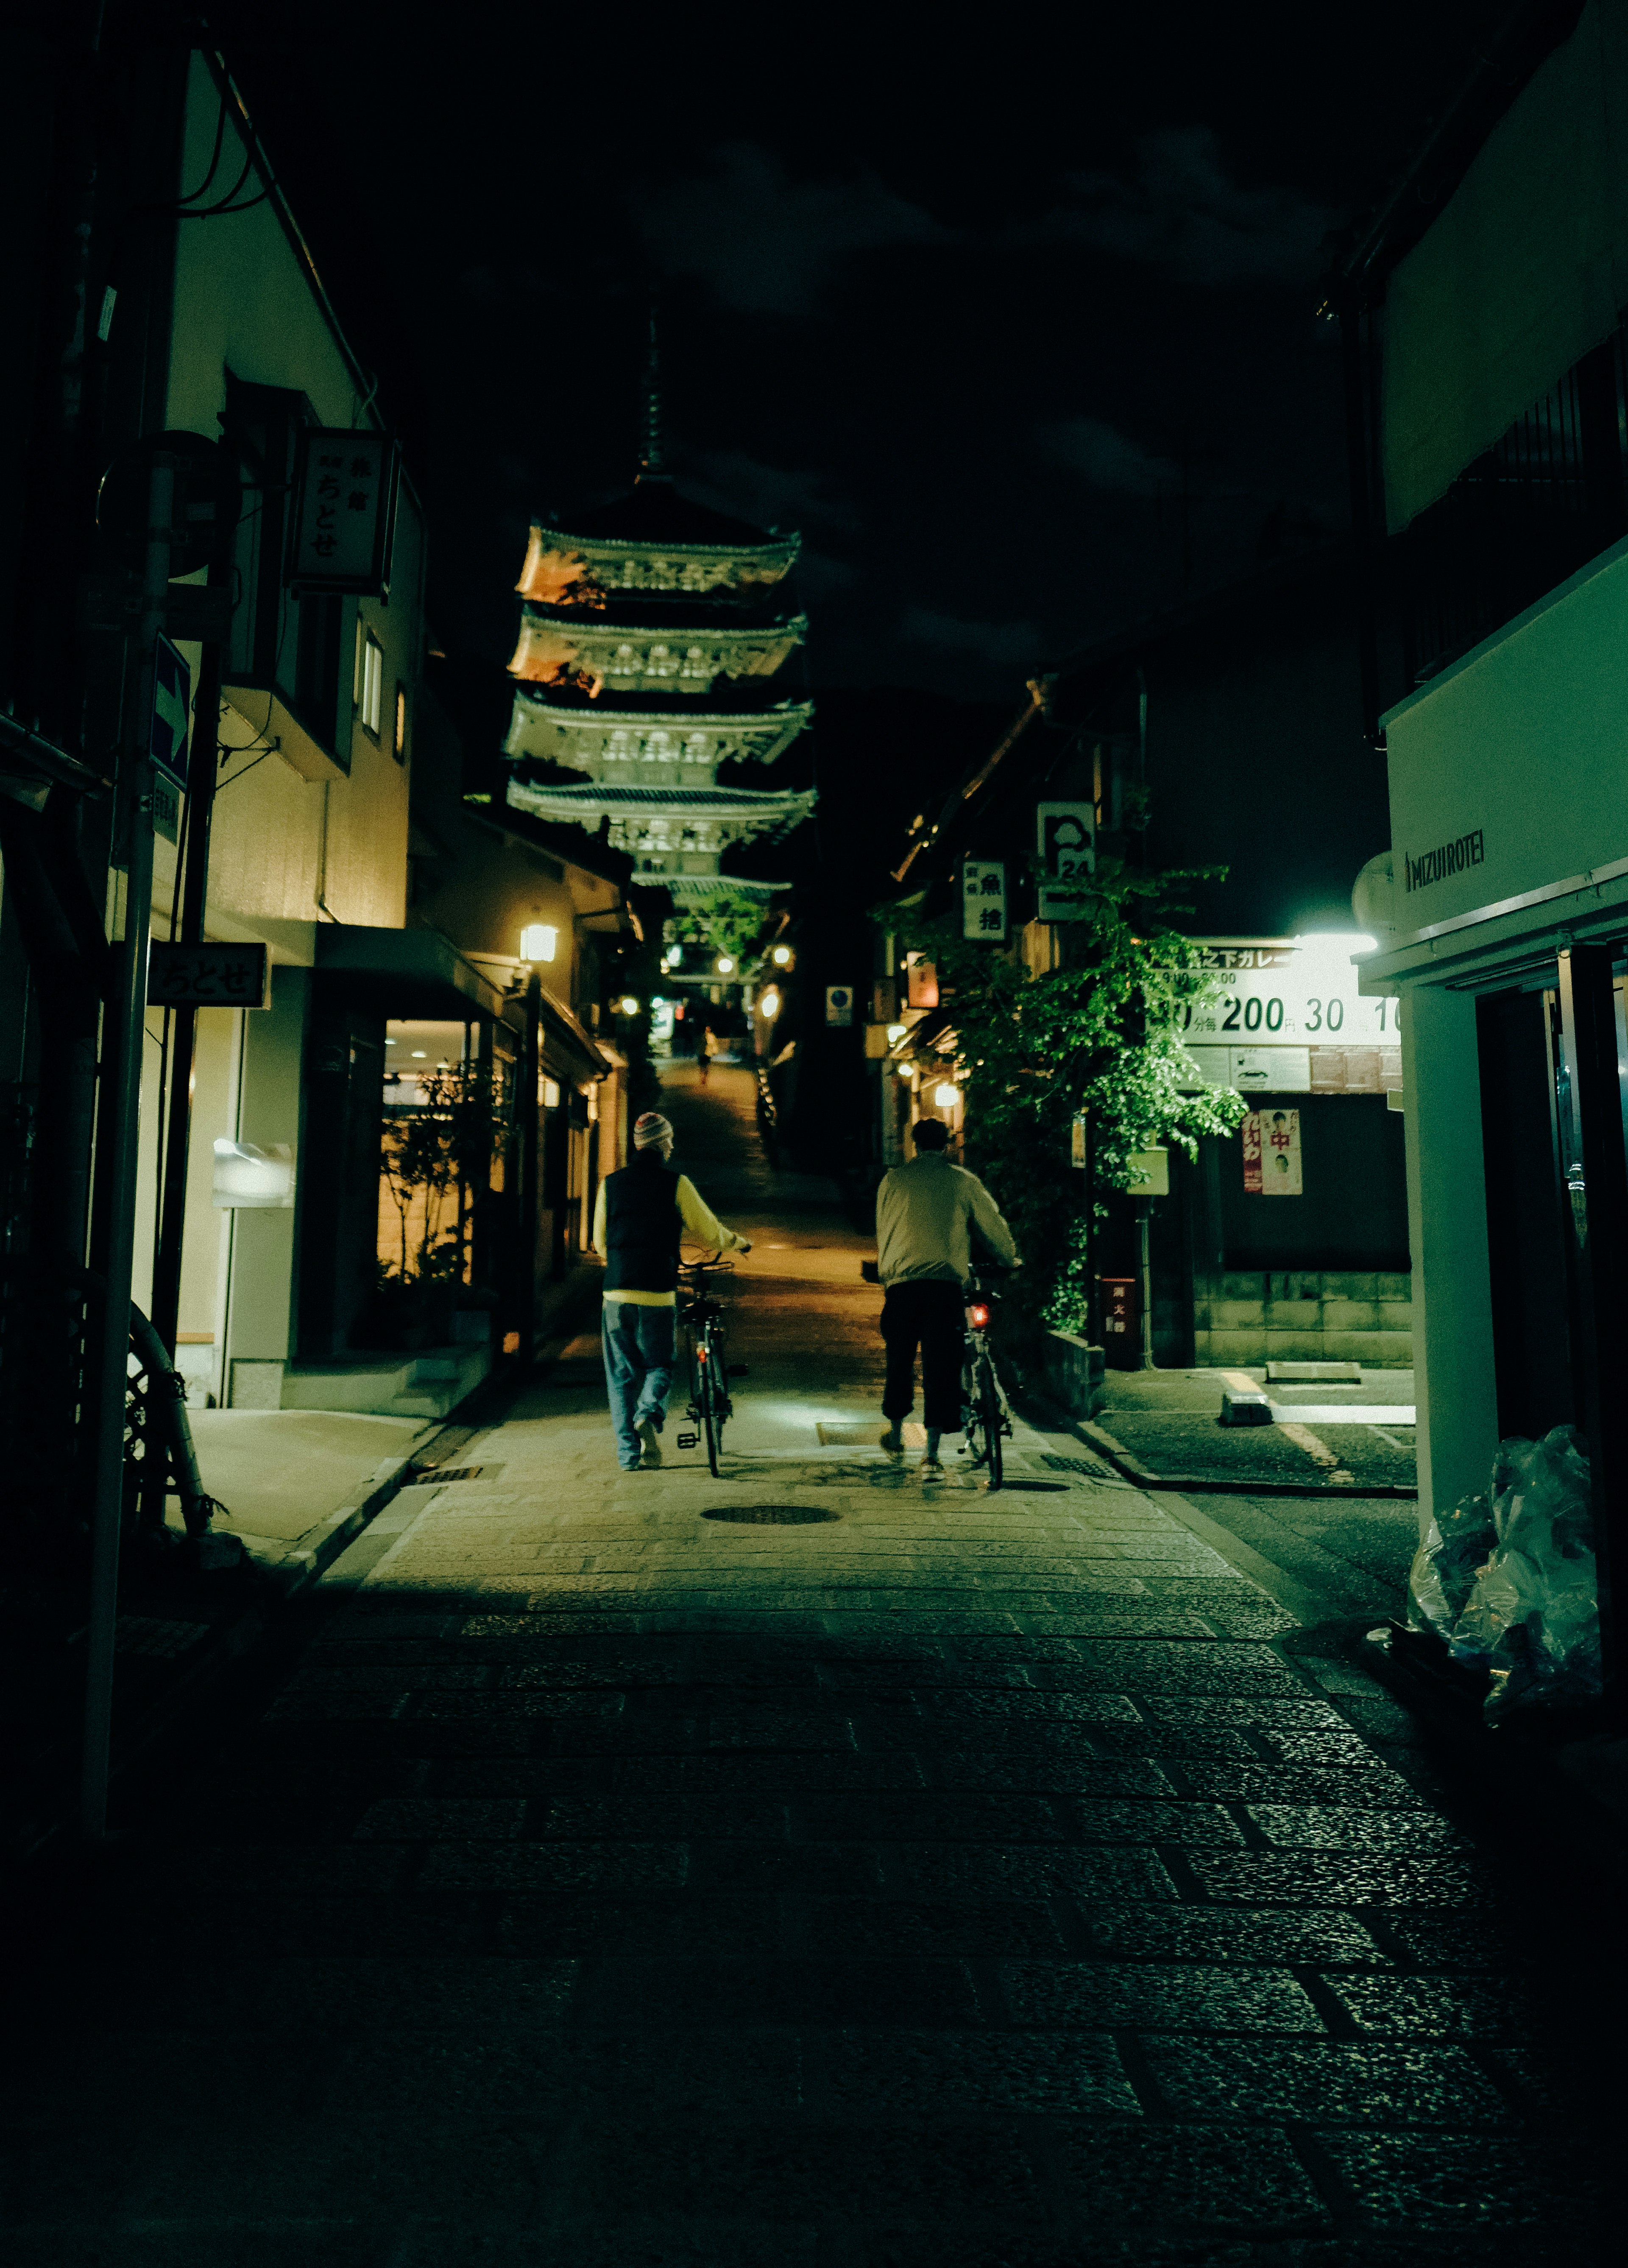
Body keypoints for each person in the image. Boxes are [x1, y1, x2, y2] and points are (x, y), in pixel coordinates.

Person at [592, 1109, 751, 1471]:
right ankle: (648, 1412)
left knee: (619, 1378)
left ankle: (629, 1457)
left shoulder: (610, 1184)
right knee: (660, 1364)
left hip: (616, 1295)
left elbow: (600, 1242)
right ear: (662, 1144)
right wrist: (738, 1242)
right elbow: (710, 1231)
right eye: (670, 1139)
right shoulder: (676, 1183)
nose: (673, 1145)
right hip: (657, 1294)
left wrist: (621, 1265)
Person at [874, 1117, 1018, 1477]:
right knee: (941, 1366)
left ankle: (895, 1435)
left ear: (914, 1144)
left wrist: (888, 1270)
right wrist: (1008, 1258)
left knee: (900, 1360)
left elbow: (884, 1227)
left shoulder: (893, 1180)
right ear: (948, 1144)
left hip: (902, 1283)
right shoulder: (963, 1181)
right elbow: (994, 1227)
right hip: (944, 1287)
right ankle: (932, 1455)